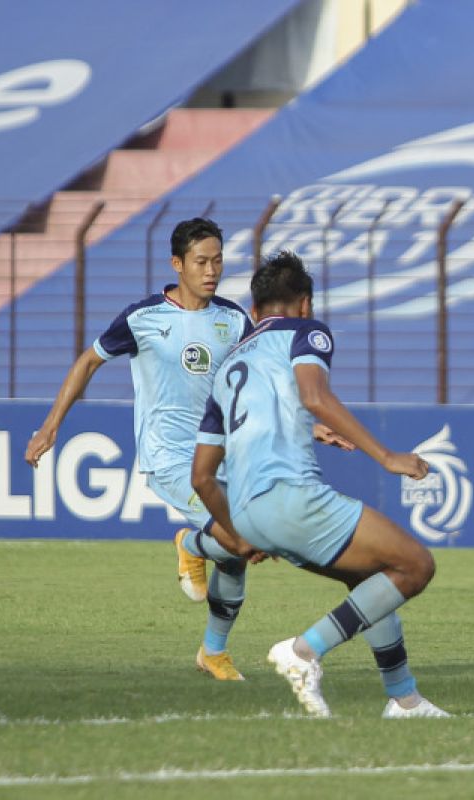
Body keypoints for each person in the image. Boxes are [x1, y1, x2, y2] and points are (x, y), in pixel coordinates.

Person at [24, 218, 349, 682]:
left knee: (238, 552)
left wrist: (311, 426)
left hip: (223, 453)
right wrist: (50, 425)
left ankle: (212, 653)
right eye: (201, 261)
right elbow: (88, 361)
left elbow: (257, 385)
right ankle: (190, 544)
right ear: (177, 264)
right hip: (170, 458)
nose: (211, 269)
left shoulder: (234, 319)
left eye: (218, 260)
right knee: (240, 538)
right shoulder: (144, 318)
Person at [191, 251, 448, 718]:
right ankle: (304, 652)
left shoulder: (228, 369)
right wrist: (387, 456)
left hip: (247, 512)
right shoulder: (306, 331)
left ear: (253, 312)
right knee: (415, 565)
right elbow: (315, 395)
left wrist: (240, 531)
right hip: (290, 495)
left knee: (373, 580)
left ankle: (404, 698)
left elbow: (202, 476)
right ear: (304, 304)